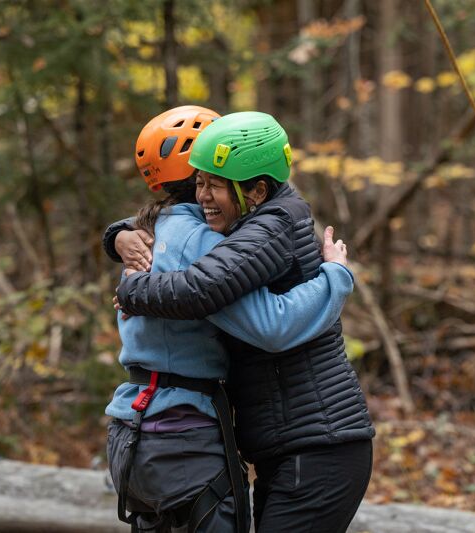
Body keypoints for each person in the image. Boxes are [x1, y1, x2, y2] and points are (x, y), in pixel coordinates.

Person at [109, 111, 375, 533]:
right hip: (270, 443)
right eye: (199, 183)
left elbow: (266, 322)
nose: (204, 196)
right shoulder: (191, 235)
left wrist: (337, 278)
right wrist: (117, 236)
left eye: (214, 183)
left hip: (317, 443)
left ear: (254, 189)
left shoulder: (239, 231)